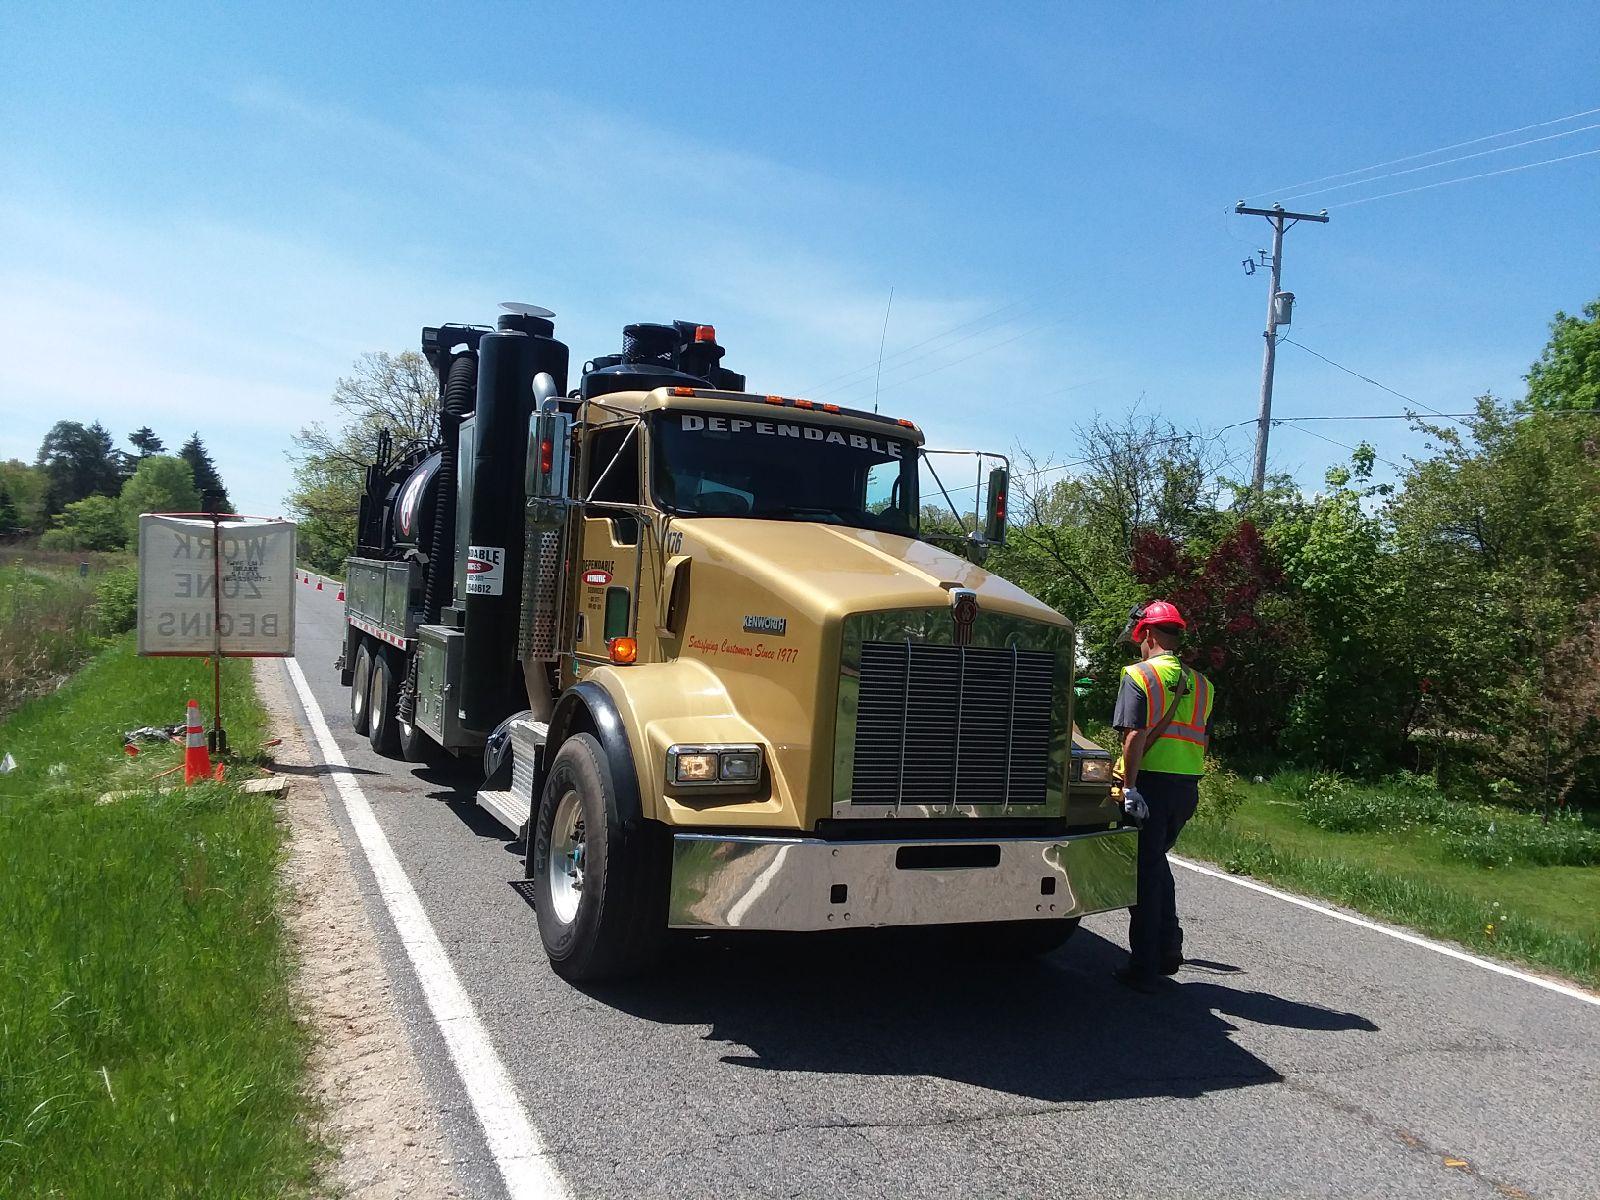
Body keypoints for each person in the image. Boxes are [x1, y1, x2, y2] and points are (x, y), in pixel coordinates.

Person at [1110, 599, 1214, 993]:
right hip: (1187, 787)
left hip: (1150, 784)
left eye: (1139, 639)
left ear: (1147, 635)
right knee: (1155, 864)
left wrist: (1131, 786)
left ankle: (1145, 964)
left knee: (1143, 875)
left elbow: (1134, 734)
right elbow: (1200, 735)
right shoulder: (1203, 683)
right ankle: (1168, 948)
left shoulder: (1139, 675)